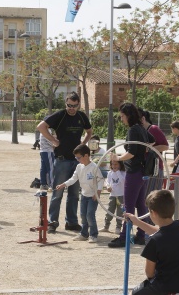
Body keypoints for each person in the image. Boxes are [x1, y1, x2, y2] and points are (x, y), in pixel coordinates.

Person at [37, 91, 93, 234]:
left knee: (74, 194)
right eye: (69, 105)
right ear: (65, 103)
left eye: (74, 106)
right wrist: (53, 140)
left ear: (78, 105)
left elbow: (89, 131)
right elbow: (41, 127)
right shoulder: (60, 115)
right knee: (58, 192)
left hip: (76, 161)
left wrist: (83, 144)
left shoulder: (81, 116)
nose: (71, 108)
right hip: (61, 160)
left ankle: (72, 222)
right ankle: (52, 222)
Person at [124, 190, 179, 295]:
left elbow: (149, 273)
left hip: (168, 286)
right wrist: (137, 222)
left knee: (137, 292)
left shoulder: (153, 241)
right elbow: (161, 233)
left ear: (153, 213)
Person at [109, 102, 155, 248]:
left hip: (134, 172)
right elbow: (152, 141)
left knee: (128, 205)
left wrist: (117, 158)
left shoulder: (133, 130)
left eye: (122, 116)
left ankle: (124, 236)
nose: (121, 119)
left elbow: (132, 153)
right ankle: (141, 235)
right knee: (141, 204)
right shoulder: (141, 128)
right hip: (143, 172)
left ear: (128, 116)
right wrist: (144, 152)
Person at [55, 144, 103, 243]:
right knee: (83, 215)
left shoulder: (94, 167)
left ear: (86, 156)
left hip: (93, 197)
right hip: (84, 195)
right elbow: (73, 178)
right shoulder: (79, 167)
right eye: (76, 157)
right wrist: (63, 184)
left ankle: (93, 234)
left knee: (90, 215)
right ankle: (84, 234)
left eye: (79, 157)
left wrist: (97, 193)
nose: (77, 159)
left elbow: (101, 180)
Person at [138, 109, 169, 195]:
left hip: (154, 169)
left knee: (152, 197)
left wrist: (149, 148)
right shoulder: (140, 131)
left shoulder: (154, 129)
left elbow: (165, 146)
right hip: (144, 168)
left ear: (143, 119)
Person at [99, 160, 125, 235]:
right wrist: (108, 186)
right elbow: (107, 181)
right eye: (112, 164)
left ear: (120, 164)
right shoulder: (110, 173)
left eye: (116, 164)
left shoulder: (123, 173)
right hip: (112, 195)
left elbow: (123, 182)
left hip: (121, 195)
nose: (114, 166)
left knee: (120, 212)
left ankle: (118, 227)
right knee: (109, 211)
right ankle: (106, 226)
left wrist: (117, 172)